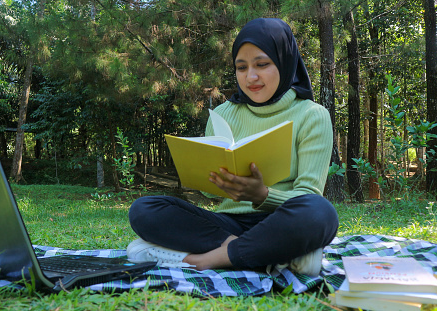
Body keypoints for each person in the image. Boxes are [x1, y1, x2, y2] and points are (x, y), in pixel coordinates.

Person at [126, 18, 338, 276]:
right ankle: (269, 255)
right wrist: (215, 181)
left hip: (282, 221)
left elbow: (308, 195)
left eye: (262, 64)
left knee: (320, 213)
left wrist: (261, 194)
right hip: (226, 227)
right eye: (241, 67)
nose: (251, 77)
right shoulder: (223, 114)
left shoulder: (312, 115)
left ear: (285, 61)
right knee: (144, 210)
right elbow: (214, 198)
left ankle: (205, 260)